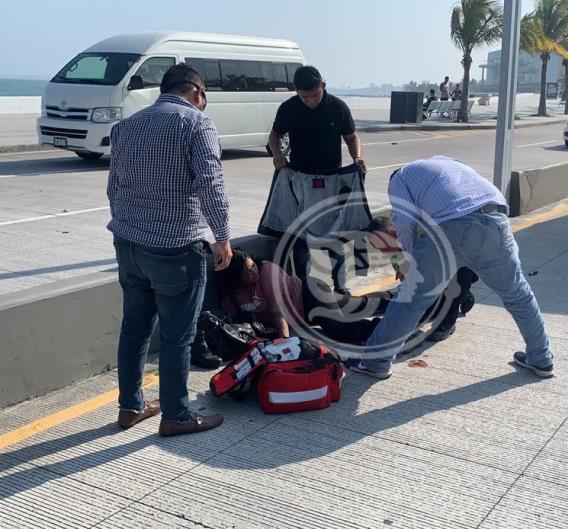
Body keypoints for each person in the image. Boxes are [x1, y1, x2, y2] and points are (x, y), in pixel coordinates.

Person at [107, 63, 233, 436]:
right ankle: (176, 416)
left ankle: (130, 407)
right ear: (197, 92)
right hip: (176, 248)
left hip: (129, 243)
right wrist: (222, 236)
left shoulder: (126, 126)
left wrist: (128, 226)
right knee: (178, 336)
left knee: (134, 329)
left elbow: (114, 186)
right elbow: (211, 183)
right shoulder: (196, 123)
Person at [348, 156, 554, 380]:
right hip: (497, 220)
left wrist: (407, 266)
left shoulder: (400, 178)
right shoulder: (449, 165)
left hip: (452, 227)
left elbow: (405, 224)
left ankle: (376, 362)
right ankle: (542, 358)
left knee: (411, 300)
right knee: (518, 295)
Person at [267, 65, 366, 294]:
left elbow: (352, 137)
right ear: (296, 92)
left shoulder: (338, 107)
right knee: (302, 239)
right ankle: (305, 289)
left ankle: (341, 287)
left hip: (332, 180)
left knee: (336, 236)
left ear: (323, 86)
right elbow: (275, 136)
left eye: (314, 95)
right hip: (300, 180)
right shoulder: (288, 108)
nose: (310, 101)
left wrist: (357, 158)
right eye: (304, 97)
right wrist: (278, 155)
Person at [217, 250, 390, 343]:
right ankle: (392, 300)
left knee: (336, 326)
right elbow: (234, 319)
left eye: (252, 266)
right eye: (246, 272)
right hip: (301, 315)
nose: (253, 272)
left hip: (308, 293)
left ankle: (388, 329)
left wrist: (284, 340)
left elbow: (278, 310)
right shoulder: (231, 292)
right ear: (235, 278)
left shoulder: (267, 271)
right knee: (355, 306)